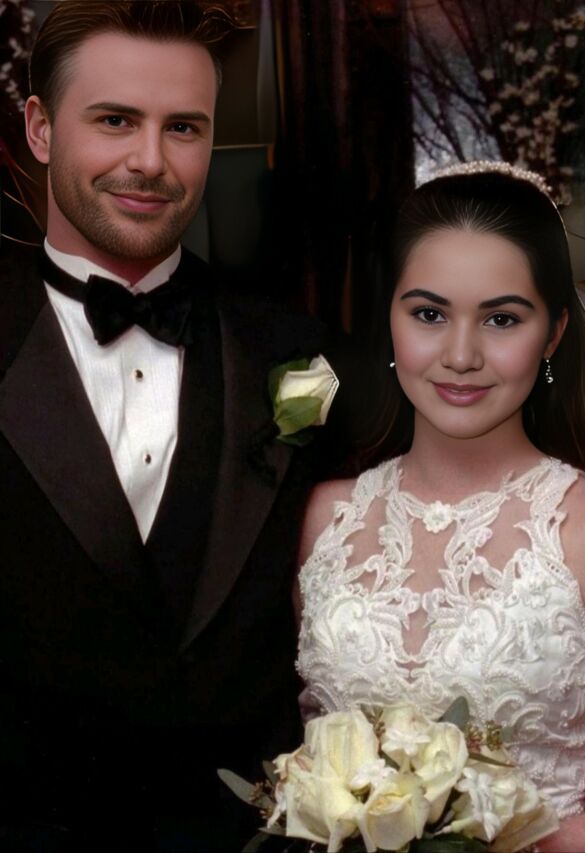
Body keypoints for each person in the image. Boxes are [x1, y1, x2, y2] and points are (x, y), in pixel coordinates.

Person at [0, 2, 339, 850]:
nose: (150, 161)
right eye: (115, 120)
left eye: (182, 127)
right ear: (40, 128)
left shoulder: (298, 354)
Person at [295, 163, 585, 852]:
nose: (460, 354)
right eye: (429, 314)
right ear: (390, 319)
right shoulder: (328, 517)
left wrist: (546, 846)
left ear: (552, 334)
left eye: (501, 319)